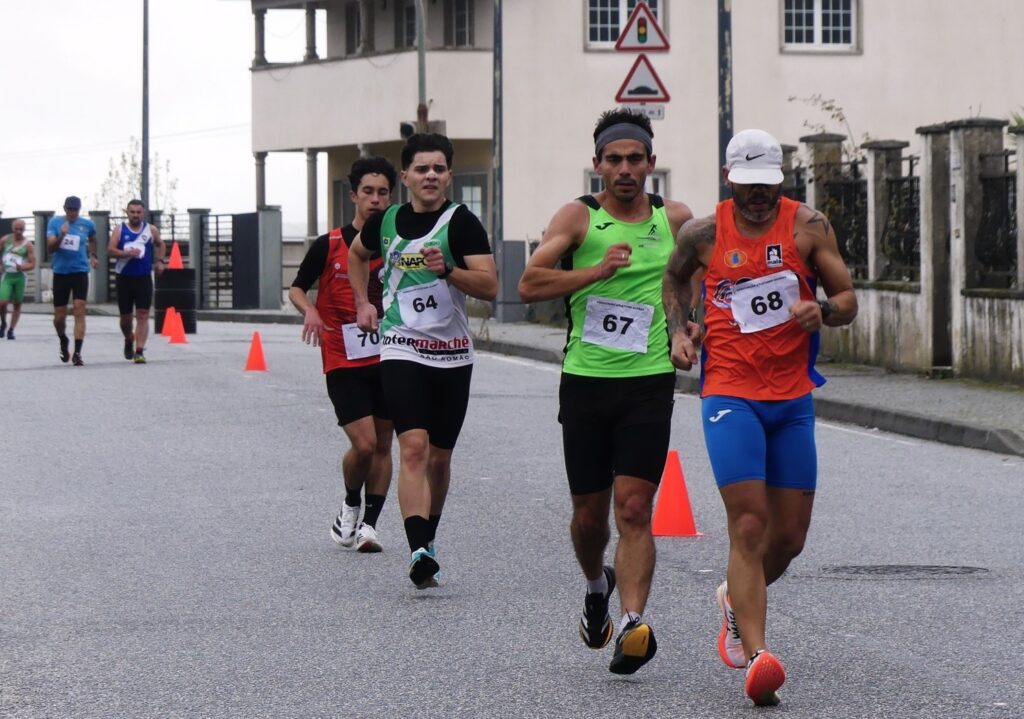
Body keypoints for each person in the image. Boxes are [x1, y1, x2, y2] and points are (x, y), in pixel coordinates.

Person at [664, 128, 857, 706]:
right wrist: (680, 329)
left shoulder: (809, 226)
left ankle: (732, 598)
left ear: (781, 179)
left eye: (768, 186)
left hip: (793, 399)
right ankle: (758, 655)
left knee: (789, 539)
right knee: (748, 525)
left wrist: (820, 311)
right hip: (729, 393)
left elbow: (847, 299)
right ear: (730, 179)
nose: (758, 197)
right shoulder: (703, 233)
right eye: (747, 186)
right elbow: (674, 278)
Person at [518, 108, 693, 675]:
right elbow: (528, 284)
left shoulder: (677, 220)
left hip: (647, 381)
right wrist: (593, 274)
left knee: (635, 508)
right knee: (590, 518)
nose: (624, 168)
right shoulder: (578, 217)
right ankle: (597, 586)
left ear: (651, 163)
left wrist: (691, 328)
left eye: (634, 158)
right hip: (587, 382)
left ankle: (633, 622)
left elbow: (696, 284)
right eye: (613, 159)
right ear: (597, 165)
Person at [348, 133, 497, 589]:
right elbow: (357, 255)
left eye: (438, 168)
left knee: (439, 457)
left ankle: (428, 540)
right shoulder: (386, 220)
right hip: (400, 346)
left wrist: (448, 270)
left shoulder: (461, 222)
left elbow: (490, 286)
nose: (430, 175)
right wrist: (363, 302)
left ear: (448, 176)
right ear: (407, 176)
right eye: (421, 168)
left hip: (452, 355)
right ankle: (416, 549)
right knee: (411, 446)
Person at [289, 157, 398, 553]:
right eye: (367, 192)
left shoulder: (397, 242)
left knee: (385, 444)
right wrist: (312, 310)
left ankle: (368, 525)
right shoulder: (330, 243)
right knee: (365, 444)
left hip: (389, 353)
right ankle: (351, 502)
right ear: (353, 196)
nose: (374, 199)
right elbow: (297, 288)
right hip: (342, 354)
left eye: (382, 192)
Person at [109, 199, 166, 363]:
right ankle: (129, 338)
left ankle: (139, 350)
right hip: (124, 278)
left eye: (138, 212)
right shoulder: (120, 230)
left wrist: (160, 261)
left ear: (143, 213)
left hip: (143, 278)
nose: (135, 215)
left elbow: (161, 245)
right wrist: (127, 253)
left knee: (143, 314)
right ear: (127, 213)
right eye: (132, 212)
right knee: (126, 319)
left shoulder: (151, 230)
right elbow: (110, 250)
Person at [46, 196, 98, 366]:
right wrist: (62, 234)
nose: (72, 213)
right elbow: (51, 248)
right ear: (65, 209)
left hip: (80, 272)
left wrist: (93, 255)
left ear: (79, 209)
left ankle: (77, 352)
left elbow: (92, 239)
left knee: (79, 308)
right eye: (70, 209)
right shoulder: (55, 223)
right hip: (61, 272)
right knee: (59, 318)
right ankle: (63, 340)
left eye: (75, 210)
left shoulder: (87, 224)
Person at [0, 219, 37, 339]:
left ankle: (11, 330)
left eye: (21, 229)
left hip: (20, 277)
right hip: (7, 276)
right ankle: (3, 322)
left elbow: (32, 264)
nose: (18, 231)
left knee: (17, 304)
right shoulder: (5, 240)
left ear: (24, 230)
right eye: (16, 228)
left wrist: (23, 267)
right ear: (12, 228)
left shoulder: (28, 245)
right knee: (2, 302)